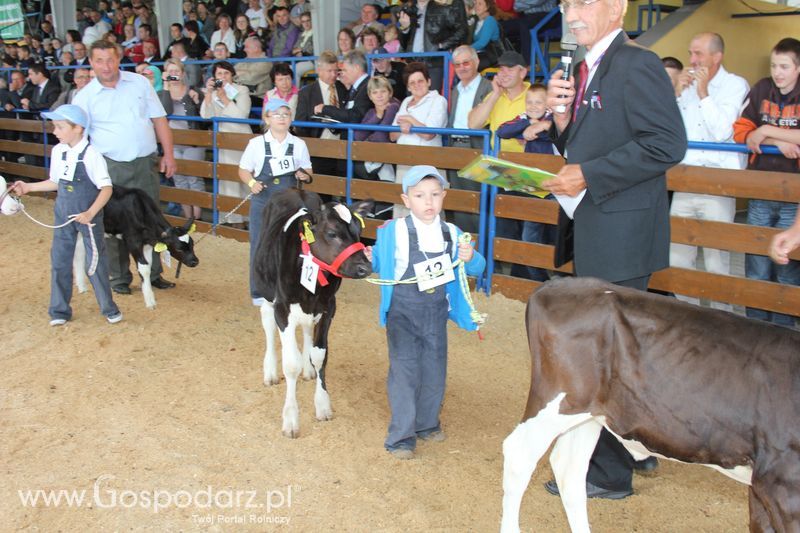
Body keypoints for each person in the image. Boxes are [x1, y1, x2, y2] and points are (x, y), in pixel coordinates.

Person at [543, 0, 686, 500]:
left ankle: (607, 473)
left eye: (584, 2)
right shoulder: (583, 67)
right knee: (618, 352)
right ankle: (632, 449)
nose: (571, 12)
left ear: (618, 8)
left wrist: (589, 173)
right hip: (596, 227)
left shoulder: (637, 62)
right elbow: (583, 145)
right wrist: (561, 118)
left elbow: (667, 144)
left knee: (603, 355)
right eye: (566, 4)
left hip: (622, 235)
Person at [366, 165, 486, 459]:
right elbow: (378, 263)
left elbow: (477, 269)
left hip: (435, 312)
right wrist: (369, 258)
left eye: (434, 194)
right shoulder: (393, 230)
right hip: (402, 312)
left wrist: (471, 258)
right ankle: (401, 437)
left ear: (444, 196)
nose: (428, 202)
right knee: (404, 371)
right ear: (406, 200)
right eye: (419, 195)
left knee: (434, 369)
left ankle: (427, 423)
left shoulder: (454, 233)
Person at [73, 40, 178, 295]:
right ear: (91, 63)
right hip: (110, 166)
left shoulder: (139, 83)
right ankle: (119, 277)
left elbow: (159, 119)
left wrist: (169, 154)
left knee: (150, 217)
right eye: (99, 61)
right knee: (113, 222)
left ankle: (152, 274)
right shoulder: (85, 97)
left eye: (110, 59)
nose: (106, 66)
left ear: (119, 58)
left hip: (144, 163)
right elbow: (79, 137)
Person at [11, 105, 122, 326]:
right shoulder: (58, 151)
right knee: (60, 261)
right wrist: (29, 187)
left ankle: (109, 308)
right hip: (63, 214)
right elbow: (55, 182)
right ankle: (59, 310)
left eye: (60, 127)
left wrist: (90, 212)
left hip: (87, 217)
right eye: (55, 126)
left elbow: (106, 188)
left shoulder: (92, 155)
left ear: (78, 128)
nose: (55, 131)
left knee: (95, 263)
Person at [669, 32, 749, 310]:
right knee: (678, 257)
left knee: (716, 260)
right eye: (691, 53)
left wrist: (703, 93)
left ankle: (722, 320)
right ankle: (686, 317)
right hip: (686, 178)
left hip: (718, 183)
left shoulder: (735, 85)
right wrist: (678, 94)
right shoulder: (687, 87)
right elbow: (672, 132)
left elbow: (723, 131)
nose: (692, 60)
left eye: (699, 54)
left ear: (717, 57)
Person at [733, 37, 800, 327]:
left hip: (794, 197)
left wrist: (768, 131)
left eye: (784, 66)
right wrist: (771, 138)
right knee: (757, 266)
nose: (778, 72)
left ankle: (784, 333)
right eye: (774, 65)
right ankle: (754, 328)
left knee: (786, 269)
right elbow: (742, 132)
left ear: (798, 68)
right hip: (760, 192)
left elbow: (758, 132)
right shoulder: (761, 88)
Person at [238, 98, 312, 304]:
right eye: (276, 114)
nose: (281, 118)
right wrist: (252, 182)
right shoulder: (256, 144)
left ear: (291, 118)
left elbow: (308, 170)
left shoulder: (298, 144)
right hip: (263, 201)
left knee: (289, 246)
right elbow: (243, 170)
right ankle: (259, 292)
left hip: (290, 204)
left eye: (285, 114)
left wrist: (304, 175)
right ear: (267, 118)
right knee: (260, 245)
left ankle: (286, 289)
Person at [496, 83, 555, 281]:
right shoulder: (524, 118)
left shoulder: (554, 119)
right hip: (534, 187)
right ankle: (540, 280)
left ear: (548, 104)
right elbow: (501, 131)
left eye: (539, 102)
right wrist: (527, 123)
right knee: (530, 234)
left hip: (554, 185)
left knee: (554, 233)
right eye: (529, 102)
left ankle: (553, 277)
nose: (533, 106)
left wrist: (537, 128)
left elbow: (554, 134)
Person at [390, 62, 448, 218]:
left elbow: (429, 133)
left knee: (429, 209)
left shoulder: (438, 101)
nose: (417, 85)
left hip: (427, 162)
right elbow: (392, 135)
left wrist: (411, 121)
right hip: (404, 162)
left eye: (420, 81)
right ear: (408, 87)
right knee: (403, 208)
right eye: (412, 83)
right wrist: (406, 127)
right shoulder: (405, 102)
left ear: (429, 81)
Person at [200, 60, 252, 228]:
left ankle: (249, 219)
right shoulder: (213, 93)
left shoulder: (242, 90)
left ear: (232, 75)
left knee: (246, 181)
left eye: (226, 73)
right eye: (219, 74)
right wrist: (208, 94)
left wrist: (225, 98)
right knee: (228, 182)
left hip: (241, 139)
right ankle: (234, 222)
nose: (223, 77)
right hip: (224, 141)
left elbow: (242, 115)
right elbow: (205, 116)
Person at [446, 45, 492, 232]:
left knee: (478, 204)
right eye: (457, 64)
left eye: (466, 62)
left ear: (477, 62)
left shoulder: (488, 87)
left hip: (477, 149)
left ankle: (482, 251)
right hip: (455, 148)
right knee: (460, 204)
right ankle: (465, 249)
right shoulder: (455, 89)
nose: (462, 67)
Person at [159, 58, 206, 221]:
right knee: (179, 180)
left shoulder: (193, 90)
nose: (173, 75)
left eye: (176, 71)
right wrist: (166, 86)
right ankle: (188, 219)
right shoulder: (162, 94)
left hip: (193, 142)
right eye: (170, 71)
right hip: (173, 143)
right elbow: (165, 111)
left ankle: (197, 219)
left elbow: (204, 113)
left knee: (193, 179)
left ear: (183, 73)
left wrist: (196, 99)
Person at [294, 50, 348, 176]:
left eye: (336, 71)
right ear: (319, 70)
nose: (333, 75)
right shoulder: (306, 93)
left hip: (341, 147)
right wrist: (313, 145)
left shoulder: (342, 88)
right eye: (329, 71)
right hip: (318, 149)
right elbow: (300, 123)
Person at [397, 0, 469, 93]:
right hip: (413, 62)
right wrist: (405, 28)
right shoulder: (407, 10)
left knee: (433, 98)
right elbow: (403, 43)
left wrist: (442, 45)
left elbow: (462, 30)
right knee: (412, 99)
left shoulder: (442, 9)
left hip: (434, 62)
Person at [354, 75, 401, 185]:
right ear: (370, 96)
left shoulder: (394, 106)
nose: (379, 96)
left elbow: (381, 137)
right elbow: (357, 136)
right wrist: (378, 116)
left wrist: (368, 138)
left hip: (389, 158)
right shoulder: (371, 112)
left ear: (390, 93)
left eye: (383, 91)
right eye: (375, 93)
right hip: (372, 158)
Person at [315, 50, 373, 125]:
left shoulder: (368, 87)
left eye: (345, 70)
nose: (343, 74)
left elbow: (355, 116)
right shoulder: (356, 87)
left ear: (356, 68)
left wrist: (325, 109)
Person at [471, 0, 502, 71]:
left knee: (465, 66)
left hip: (491, 56)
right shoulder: (478, 22)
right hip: (481, 55)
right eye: (475, 3)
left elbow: (482, 42)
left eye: (480, 4)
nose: (476, 6)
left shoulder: (489, 20)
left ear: (487, 7)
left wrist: (466, 50)